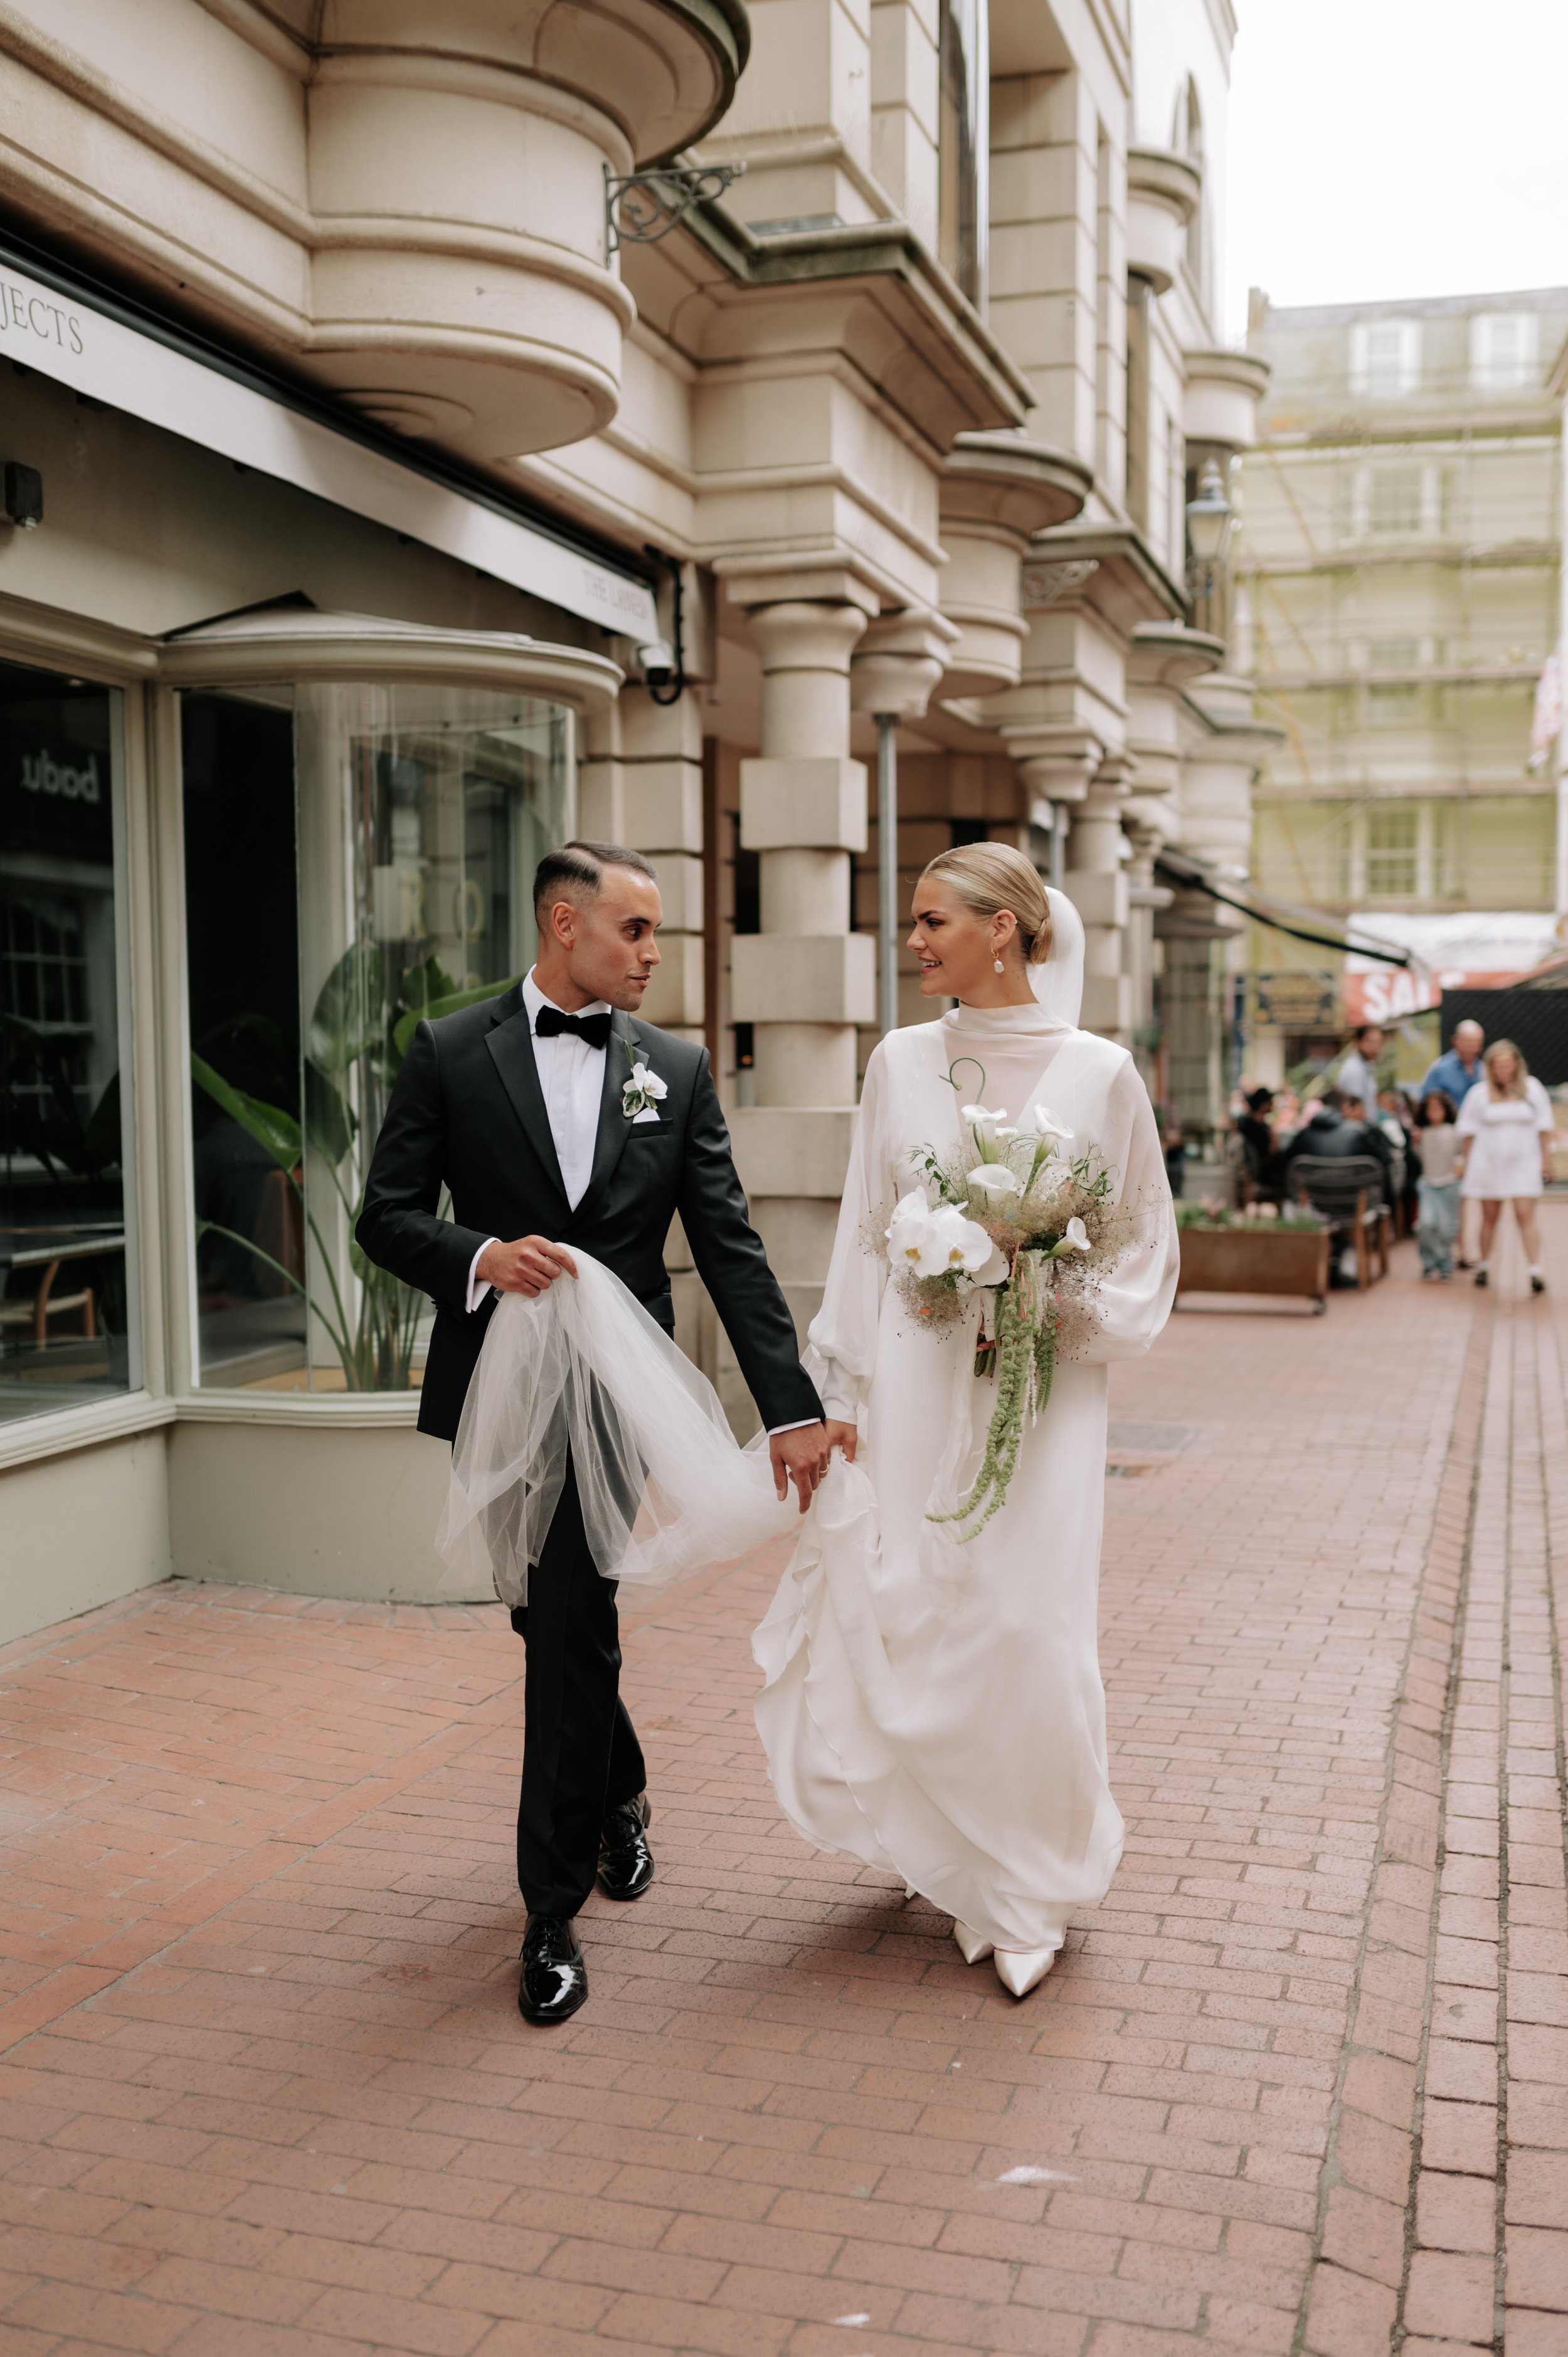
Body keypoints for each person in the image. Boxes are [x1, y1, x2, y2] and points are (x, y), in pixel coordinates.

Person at [356, 840, 829, 2025]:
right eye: (636, 929)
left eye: (656, 932)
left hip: (617, 1392)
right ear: (564, 925)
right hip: (498, 1387)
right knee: (552, 1619)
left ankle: (549, 1911)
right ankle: (618, 1787)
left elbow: (728, 1242)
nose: (653, 953)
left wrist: (792, 1405)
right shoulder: (452, 1050)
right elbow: (385, 1215)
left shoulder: (673, 1065)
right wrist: (478, 1254)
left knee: (569, 1610)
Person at [753, 845, 1179, 1998]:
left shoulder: (1101, 1074)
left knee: (1027, 1620)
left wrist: (1039, 1300)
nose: (916, 940)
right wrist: (835, 1393)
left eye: (935, 919)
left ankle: (1028, 1885)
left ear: (1006, 928)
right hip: (916, 1387)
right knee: (923, 1606)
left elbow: (1144, 1244)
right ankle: (949, 1848)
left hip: (1041, 1400)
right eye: (914, 921)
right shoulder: (898, 1060)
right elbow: (862, 1232)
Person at [1454, 1037, 1555, 1294]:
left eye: (1507, 1064)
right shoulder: (1478, 1093)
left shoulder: (1532, 1089)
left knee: (1525, 1215)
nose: (1502, 1070)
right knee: (1490, 1217)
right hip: (1489, 1164)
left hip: (1524, 1162)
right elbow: (1468, 1132)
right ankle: (1485, 1265)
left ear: (1516, 1065)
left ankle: (1535, 1270)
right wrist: (1466, 1164)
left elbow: (1544, 1128)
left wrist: (1547, 1161)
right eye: (1497, 1065)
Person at [1421, 1018, 1485, 1266]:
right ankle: (1458, 1249)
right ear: (1456, 1041)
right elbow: (1429, 1103)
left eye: (1477, 1043)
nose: (1473, 1047)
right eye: (1468, 1041)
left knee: (1473, 1196)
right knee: (1456, 1195)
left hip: (1477, 1141)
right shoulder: (1441, 1069)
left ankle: (1465, 1248)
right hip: (1449, 1143)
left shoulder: (1483, 1069)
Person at [1411, 1089, 1461, 1279]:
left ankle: (1445, 1262)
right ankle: (1429, 1261)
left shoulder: (1453, 1132)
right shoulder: (1422, 1133)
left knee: (1447, 1227)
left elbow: (1461, 1153)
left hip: (1448, 1183)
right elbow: (1419, 1157)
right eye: (1430, 1109)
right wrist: (1416, 1142)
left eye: (1438, 1108)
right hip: (1428, 1183)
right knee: (1426, 1223)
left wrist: (1460, 1165)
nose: (1435, 1113)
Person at [1234, 1086, 1280, 1195]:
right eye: (1270, 1102)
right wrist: (1274, 1140)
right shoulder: (1255, 1127)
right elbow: (1268, 1153)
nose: (1273, 1105)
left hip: (1259, 1169)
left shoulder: (1249, 1123)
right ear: (1263, 1104)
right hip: (1262, 1173)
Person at [1337, 1024, 1384, 1120]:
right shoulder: (1354, 1069)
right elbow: (1355, 1110)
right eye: (1369, 1041)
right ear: (1358, 1042)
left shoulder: (1367, 1066)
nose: (1374, 1047)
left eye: (1378, 1042)